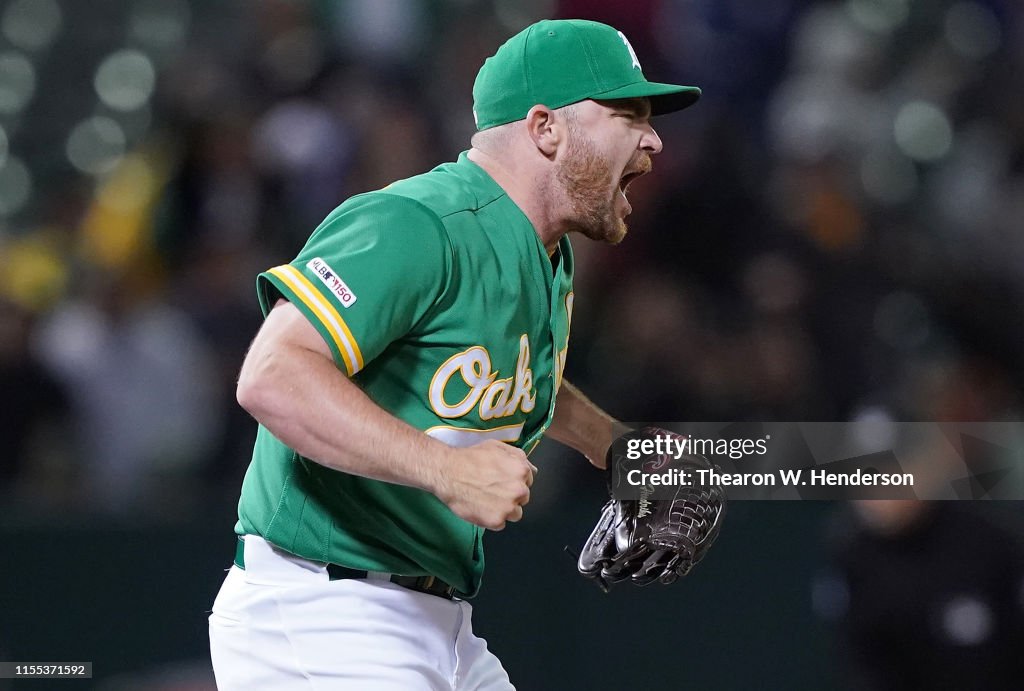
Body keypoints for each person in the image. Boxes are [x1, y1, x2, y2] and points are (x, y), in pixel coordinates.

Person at [208, 18, 701, 690]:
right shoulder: (418, 223)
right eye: (627, 114)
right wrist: (445, 468)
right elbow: (272, 376)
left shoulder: (545, 253)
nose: (653, 138)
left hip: (431, 617)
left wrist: (613, 444)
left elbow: (524, 384)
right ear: (546, 128)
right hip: (319, 605)